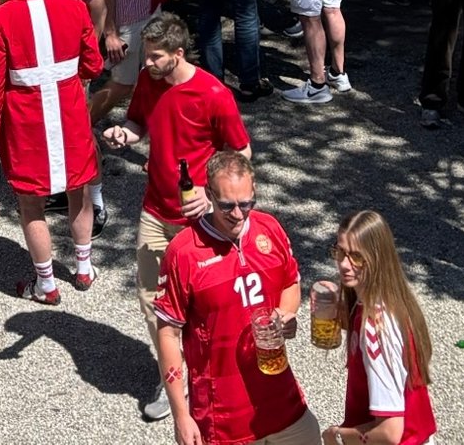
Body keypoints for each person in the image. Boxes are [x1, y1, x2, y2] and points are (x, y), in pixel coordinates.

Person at [102, 14, 252, 424]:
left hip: (196, 221)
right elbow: (138, 122)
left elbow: (241, 152)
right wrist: (125, 134)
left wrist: (209, 193)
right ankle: (175, 377)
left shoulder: (213, 93)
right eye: (146, 56)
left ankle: (216, 371)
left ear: (179, 54)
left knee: (204, 303)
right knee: (152, 298)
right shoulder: (151, 82)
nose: (147, 64)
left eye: (155, 57)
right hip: (155, 209)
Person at [152, 151, 319, 445]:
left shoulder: (271, 229)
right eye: (227, 205)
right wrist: (181, 414)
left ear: (254, 191)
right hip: (223, 421)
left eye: (246, 204)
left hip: (283, 403)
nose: (238, 214)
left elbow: (290, 282)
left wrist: (285, 313)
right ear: (209, 196)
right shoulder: (184, 251)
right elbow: (168, 333)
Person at [0, 0, 103, 304]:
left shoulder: (2, 17)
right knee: (79, 189)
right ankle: (83, 267)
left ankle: (46, 284)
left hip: (27, 121)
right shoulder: (73, 7)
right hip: (69, 114)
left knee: (31, 203)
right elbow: (94, 64)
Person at [320, 210, 438, 445]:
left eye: (357, 257)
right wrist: (336, 312)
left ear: (377, 258)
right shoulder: (392, 301)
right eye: (340, 252)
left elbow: (389, 432)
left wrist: (337, 435)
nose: (344, 264)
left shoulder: (376, 330)